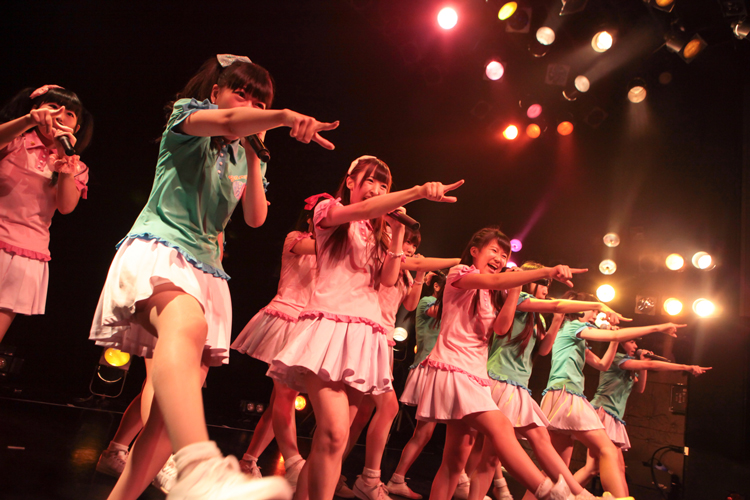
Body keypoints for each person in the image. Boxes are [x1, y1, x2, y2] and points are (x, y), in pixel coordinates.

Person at [89, 54, 338, 500]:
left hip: (206, 270)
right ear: (216, 92)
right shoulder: (188, 116)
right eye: (242, 94)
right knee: (187, 327)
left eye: (260, 102)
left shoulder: (243, 152)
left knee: (165, 416)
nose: (251, 106)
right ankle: (199, 466)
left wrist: (256, 154)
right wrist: (283, 116)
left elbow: (256, 217)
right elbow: (225, 121)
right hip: (161, 250)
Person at [267, 154, 463, 500]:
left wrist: (397, 232)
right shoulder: (329, 210)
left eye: (383, 184)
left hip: (364, 337)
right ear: (350, 182)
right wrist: (417, 191)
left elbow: (388, 280)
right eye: (369, 180)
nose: (376, 189)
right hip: (328, 329)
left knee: (333, 438)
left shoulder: (379, 233)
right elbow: (361, 211)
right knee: (333, 431)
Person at [415, 227, 594, 500]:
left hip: (475, 374)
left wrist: (514, 290)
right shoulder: (459, 273)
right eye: (494, 251)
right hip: (453, 368)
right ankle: (555, 495)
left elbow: (500, 328)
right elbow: (497, 281)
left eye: (504, 255)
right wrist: (546, 271)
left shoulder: (491, 294)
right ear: (474, 251)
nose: (500, 258)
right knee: (500, 427)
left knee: (455, 461)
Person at [469, 262, 627, 500]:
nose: (546, 288)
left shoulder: (537, 318)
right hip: (501, 380)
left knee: (490, 458)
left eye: (548, 284)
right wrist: (597, 304)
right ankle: (579, 495)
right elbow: (554, 305)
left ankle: (575, 494)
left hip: (517, 385)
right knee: (528, 442)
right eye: (543, 282)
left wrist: (555, 321)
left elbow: (543, 350)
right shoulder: (519, 298)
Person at [341, 230, 460, 500]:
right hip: (367, 333)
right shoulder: (387, 260)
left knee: (361, 414)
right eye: (407, 241)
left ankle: (337, 472)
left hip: (383, 340)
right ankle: (364, 478)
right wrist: (459, 263)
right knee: (368, 410)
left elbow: (410, 303)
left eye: (414, 244)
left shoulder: (406, 272)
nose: (411, 248)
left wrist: (418, 274)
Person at [540, 291, 686, 499]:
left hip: (559, 395)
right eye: (593, 310)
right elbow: (617, 338)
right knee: (607, 449)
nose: (595, 315)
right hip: (567, 394)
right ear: (579, 309)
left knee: (554, 473)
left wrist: (614, 340)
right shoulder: (573, 327)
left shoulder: (572, 334)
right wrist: (658, 327)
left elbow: (602, 364)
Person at [232, 209, 318, 489]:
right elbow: (320, 248)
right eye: (321, 216)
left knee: (282, 398)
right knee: (285, 394)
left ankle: (248, 460)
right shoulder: (296, 238)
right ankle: (293, 461)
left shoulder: (329, 250)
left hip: (306, 325)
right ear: (310, 219)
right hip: (284, 318)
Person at [0, 84, 93, 343]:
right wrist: (28, 121)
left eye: (70, 114)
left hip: (26, 254)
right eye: (53, 107)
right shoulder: (15, 141)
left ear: (76, 128)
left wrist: (66, 164)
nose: (60, 114)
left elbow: (66, 206)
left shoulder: (77, 167)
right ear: (36, 110)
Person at [572, 340, 710, 488]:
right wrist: (687, 367)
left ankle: (565, 493)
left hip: (613, 416)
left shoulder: (629, 365)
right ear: (621, 344)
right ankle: (562, 494)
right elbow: (652, 365)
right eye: (631, 342)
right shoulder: (616, 358)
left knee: (605, 468)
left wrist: (643, 364)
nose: (636, 346)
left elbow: (640, 388)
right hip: (604, 412)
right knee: (603, 467)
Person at [387, 271, 446, 500]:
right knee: (424, 432)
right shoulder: (427, 301)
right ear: (438, 287)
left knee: (432, 432)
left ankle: (461, 478)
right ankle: (397, 478)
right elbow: (442, 312)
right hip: (430, 369)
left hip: (446, 372)